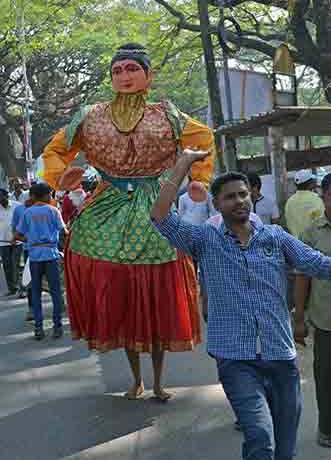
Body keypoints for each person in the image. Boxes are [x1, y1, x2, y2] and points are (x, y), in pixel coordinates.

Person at [41, 43, 214, 400]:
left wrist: (199, 178)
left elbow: (203, 139)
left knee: (159, 295)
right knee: (119, 296)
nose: (124, 76)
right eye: (118, 71)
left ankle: (160, 380)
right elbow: (54, 150)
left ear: (148, 76)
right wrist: (61, 176)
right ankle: (136, 378)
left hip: (155, 204)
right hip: (108, 204)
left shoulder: (168, 114)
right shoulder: (90, 115)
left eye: (132, 69)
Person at [151, 149, 331, 460]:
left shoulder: (275, 237)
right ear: (217, 204)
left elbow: (317, 264)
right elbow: (160, 217)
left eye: (244, 194)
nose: (239, 201)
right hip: (236, 359)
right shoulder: (205, 240)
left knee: (285, 450)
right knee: (261, 437)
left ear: (252, 197)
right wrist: (184, 162)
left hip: (281, 356)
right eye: (230, 197)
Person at [294, 172, 331, 448]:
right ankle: (327, 428)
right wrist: (298, 319)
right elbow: (302, 277)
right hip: (325, 320)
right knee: (326, 378)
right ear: (324, 196)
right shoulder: (311, 233)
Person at [15, 183, 67, 340]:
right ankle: (57, 327)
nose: (51, 198)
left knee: (36, 292)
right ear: (45, 195)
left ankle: (38, 328)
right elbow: (64, 231)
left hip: (35, 257)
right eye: (50, 195)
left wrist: (30, 240)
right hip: (51, 256)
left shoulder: (27, 213)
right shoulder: (53, 211)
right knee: (56, 292)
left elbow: (17, 235)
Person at [11, 193, 34, 319]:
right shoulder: (20, 210)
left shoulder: (49, 208)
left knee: (53, 281)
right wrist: (24, 239)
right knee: (30, 280)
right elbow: (15, 228)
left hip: (49, 252)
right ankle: (32, 309)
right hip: (28, 250)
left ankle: (59, 304)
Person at [285, 169, 324, 238]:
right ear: (310, 184)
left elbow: (288, 224)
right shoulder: (316, 199)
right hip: (314, 243)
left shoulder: (289, 202)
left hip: (296, 244)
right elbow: (322, 221)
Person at [0, 189, 21, 296]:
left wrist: (17, 236)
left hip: (17, 241)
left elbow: (23, 222)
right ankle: (11, 288)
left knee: (15, 264)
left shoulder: (17, 206)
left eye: (1, 196)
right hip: (3, 242)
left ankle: (18, 287)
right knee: (7, 266)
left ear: (6, 196)